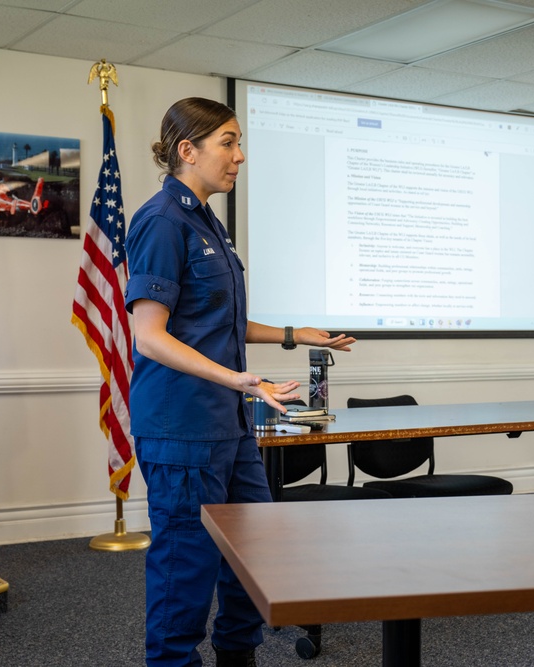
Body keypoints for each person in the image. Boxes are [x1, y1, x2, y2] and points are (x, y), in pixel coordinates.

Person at [124, 97, 355, 667]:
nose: (240, 156)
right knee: (186, 572)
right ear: (188, 150)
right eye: (228, 142)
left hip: (228, 426)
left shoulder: (209, 223)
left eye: (238, 142)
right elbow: (149, 335)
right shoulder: (161, 221)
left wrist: (295, 335)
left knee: (253, 557)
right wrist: (240, 380)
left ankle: (238, 657)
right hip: (182, 429)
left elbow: (214, 319)